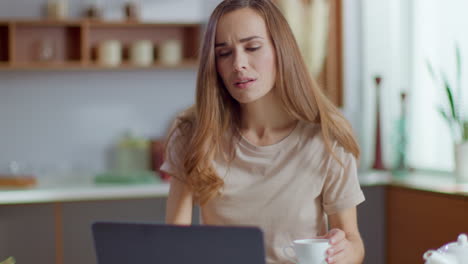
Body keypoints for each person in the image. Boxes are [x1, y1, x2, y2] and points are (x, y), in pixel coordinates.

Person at [161, 0, 365, 263]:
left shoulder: (327, 136)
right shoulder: (192, 132)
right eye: (224, 53)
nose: (239, 63)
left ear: (281, 50)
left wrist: (343, 251)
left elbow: (353, 242)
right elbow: (173, 244)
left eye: (253, 47)